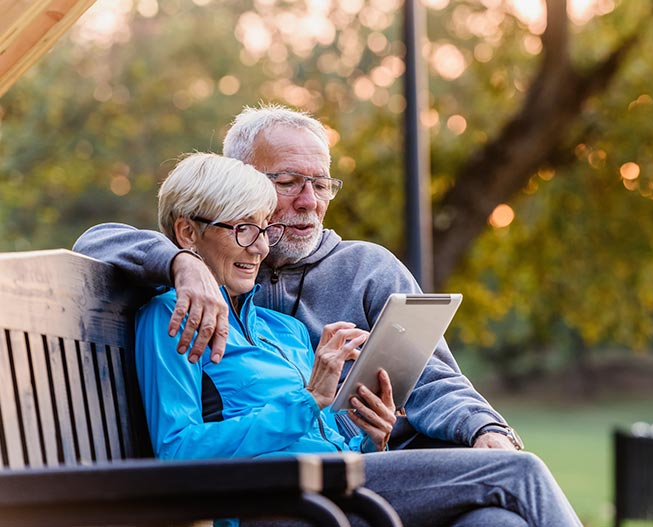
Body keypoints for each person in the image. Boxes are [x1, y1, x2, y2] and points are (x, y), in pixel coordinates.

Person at [136, 151, 582, 527]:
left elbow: (330, 436)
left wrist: (372, 436)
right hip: (278, 501)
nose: (259, 248)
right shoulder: (169, 318)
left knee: (496, 523)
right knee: (516, 472)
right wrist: (308, 399)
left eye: (262, 230)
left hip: (338, 488)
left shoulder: (283, 329)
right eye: (242, 230)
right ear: (188, 233)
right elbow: (178, 452)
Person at [74, 104, 519, 451]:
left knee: (498, 508)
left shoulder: (366, 269)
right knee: (510, 487)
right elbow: (98, 241)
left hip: (384, 460)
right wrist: (181, 263)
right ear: (243, 186)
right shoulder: (210, 261)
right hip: (295, 491)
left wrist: (484, 430)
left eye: (321, 184)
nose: (309, 201)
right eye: (288, 182)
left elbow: (433, 378)